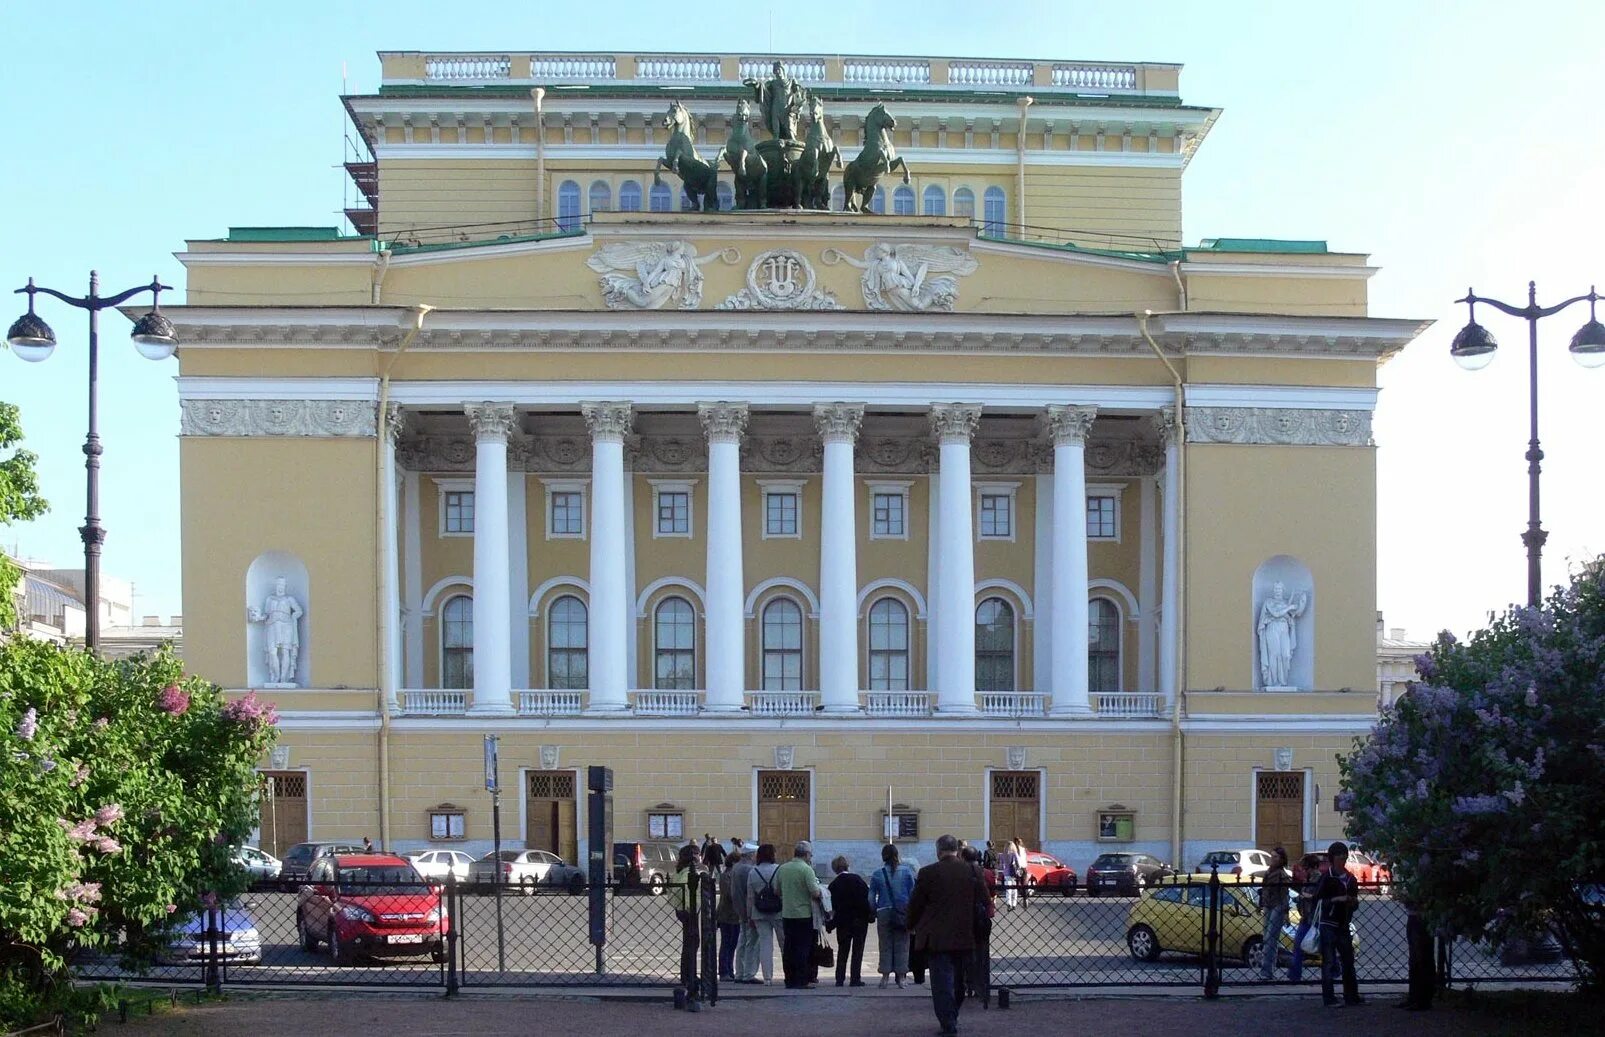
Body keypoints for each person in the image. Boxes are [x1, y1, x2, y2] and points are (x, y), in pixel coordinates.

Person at [907, 834, 989, 1037]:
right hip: (965, 934)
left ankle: (948, 1022)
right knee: (960, 982)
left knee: (941, 983)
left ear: (938, 851)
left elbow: (915, 904)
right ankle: (952, 1015)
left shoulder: (928, 873)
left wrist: (910, 925)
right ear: (958, 850)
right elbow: (985, 899)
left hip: (937, 938)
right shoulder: (972, 870)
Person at [1315, 841, 1362, 1007]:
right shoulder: (1326, 877)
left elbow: (1355, 903)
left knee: (1348, 961)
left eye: (1344, 855)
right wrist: (1337, 899)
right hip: (1328, 923)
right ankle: (1329, 998)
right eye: (1339, 855)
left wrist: (1352, 902)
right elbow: (1319, 900)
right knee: (1328, 962)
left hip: (1343, 923)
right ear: (1332, 858)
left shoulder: (1351, 879)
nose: (1342, 858)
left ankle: (1352, 996)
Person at [775, 840, 823, 988]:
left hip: (787, 914)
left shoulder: (783, 868)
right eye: (810, 855)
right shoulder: (806, 869)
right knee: (803, 948)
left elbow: (777, 891)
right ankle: (801, 980)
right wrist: (822, 892)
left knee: (789, 948)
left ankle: (789, 979)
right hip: (803, 914)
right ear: (807, 854)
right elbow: (815, 892)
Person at [870, 843, 915, 987]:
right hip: (902, 912)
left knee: (885, 945)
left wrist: (876, 909)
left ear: (883, 856)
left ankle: (884, 977)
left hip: (884, 911)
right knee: (902, 944)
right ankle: (901, 978)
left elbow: (871, 897)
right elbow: (913, 893)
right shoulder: (907, 872)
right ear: (897, 855)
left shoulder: (877, 873)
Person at [827, 855, 871, 987]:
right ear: (847, 866)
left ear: (835, 869)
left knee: (843, 950)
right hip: (859, 920)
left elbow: (832, 907)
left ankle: (839, 979)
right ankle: (855, 978)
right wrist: (869, 915)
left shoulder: (834, 885)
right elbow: (866, 900)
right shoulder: (858, 880)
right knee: (858, 950)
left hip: (843, 921)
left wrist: (831, 924)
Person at [744, 843, 783, 985]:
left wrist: (749, 916)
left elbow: (750, 897)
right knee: (784, 943)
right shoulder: (779, 870)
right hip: (778, 911)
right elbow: (781, 892)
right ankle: (789, 973)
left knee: (765, 945)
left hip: (759, 912)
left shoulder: (753, 872)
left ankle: (767, 978)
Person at [961, 845, 996, 1006]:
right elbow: (992, 893)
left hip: (963, 919)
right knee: (982, 954)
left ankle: (966, 984)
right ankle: (981, 986)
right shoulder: (987, 873)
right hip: (982, 919)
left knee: (963, 954)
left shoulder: (959, 873)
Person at [1287, 852, 1327, 982]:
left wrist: (1305, 896)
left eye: (1305, 868)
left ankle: (1334, 970)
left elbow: (1315, 895)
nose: (1303, 870)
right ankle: (1294, 975)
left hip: (1314, 918)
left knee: (1320, 946)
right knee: (1301, 945)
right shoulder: (1308, 878)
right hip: (1307, 917)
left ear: (1311, 867)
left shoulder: (1317, 878)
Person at [669, 843, 701, 997]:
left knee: (689, 943)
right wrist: (690, 907)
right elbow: (687, 891)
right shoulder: (689, 872)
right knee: (692, 942)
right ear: (693, 856)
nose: (700, 857)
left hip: (681, 910)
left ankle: (687, 975)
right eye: (698, 854)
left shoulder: (679, 871)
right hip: (689, 911)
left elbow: (672, 891)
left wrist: (678, 906)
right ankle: (690, 975)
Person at [1259, 846, 1291, 980]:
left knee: (1270, 939)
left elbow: (1285, 895)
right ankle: (1274, 966)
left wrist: (1285, 913)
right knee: (1268, 938)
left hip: (1278, 906)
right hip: (1268, 906)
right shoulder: (1268, 872)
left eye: (1275, 857)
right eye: (1271, 856)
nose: (1272, 859)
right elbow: (1264, 890)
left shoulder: (1282, 875)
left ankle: (1266, 971)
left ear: (1282, 859)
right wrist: (1261, 904)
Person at [729, 845, 759, 982]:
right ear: (751, 855)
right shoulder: (749, 869)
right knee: (751, 942)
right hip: (748, 910)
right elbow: (751, 893)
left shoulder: (736, 867)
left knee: (742, 942)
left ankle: (739, 972)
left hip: (739, 909)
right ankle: (749, 973)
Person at [1401, 902, 1434, 1011]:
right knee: (1415, 959)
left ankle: (1422, 999)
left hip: (1421, 917)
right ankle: (1415, 997)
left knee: (1421, 958)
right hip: (1414, 916)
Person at [716, 851, 742, 981]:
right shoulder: (726, 876)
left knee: (733, 944)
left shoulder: (733, 875)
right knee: (726, 943)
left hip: (735, 914)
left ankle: (730, 969)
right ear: (733, 862)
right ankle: (724, 971)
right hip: (727, 914)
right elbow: (729, 895)